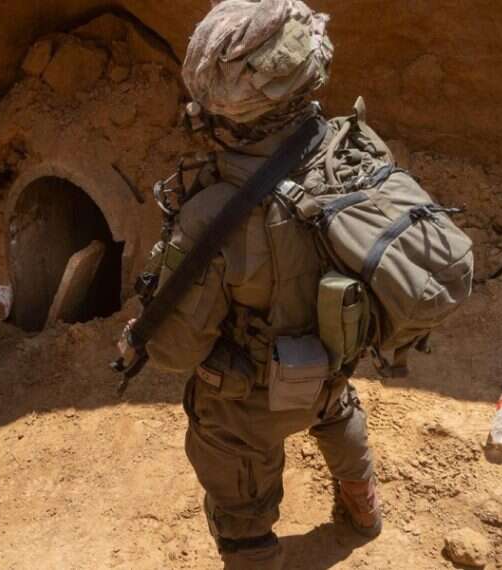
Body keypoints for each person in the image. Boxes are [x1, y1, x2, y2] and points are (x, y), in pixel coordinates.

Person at [115, 1, 382, 568]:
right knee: (337, 410)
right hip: (334, 362)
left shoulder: (213, 215)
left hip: (252, 402)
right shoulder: (351, 149)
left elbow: (175, 350)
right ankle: (363, 511)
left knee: (237, 494)